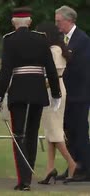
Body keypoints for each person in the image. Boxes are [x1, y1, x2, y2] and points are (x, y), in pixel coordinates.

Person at [0, 7, 61, 191]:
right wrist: (56, 94)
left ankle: (24, 179)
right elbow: (51, 69)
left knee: (19, 135)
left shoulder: (9, 40)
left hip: (19, 91)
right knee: (31, 134)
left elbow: (6, 70)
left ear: (14, 23)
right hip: (38, 91)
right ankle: (28, 175)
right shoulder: (41, 39)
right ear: (30, 22)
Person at [35, 22, 76, 184]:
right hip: (51, 91)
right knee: (50, 131)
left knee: (55, 131)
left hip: (54, 91)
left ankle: (72, 163)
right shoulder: (52, 50)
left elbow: (53, 75)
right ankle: (50, 168)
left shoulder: (55, 51)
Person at [55, 5, 90, 181]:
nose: (57, 24)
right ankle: (73, 165)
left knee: (80, 131)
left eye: (59, 21)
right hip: (66, 95)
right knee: (68, 131)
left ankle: (85, 167)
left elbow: (81, 69)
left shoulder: (82, 40)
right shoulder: (62, 39)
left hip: (79, 94)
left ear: (69, 20)